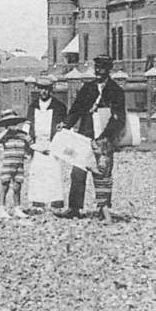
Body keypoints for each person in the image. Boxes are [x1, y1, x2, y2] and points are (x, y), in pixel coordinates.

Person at [56, 55, 125, 224]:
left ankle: (103, 209)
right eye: (97, 68)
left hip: (104, 138)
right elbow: (76, 110)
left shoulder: (116, 91)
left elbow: (119, 118)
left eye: (102, 68)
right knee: (78, 171)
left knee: (103, 174)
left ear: (108, 70)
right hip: (85, 135)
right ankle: (74, 208)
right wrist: (65, 124)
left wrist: (106, 136)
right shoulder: (87, 88)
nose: (99, 72)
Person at [25, 76, 67, 214]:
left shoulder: (59, 106)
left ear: (51, 90)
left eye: (46, 89)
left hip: (52, 144)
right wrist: (28, 140)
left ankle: (56, 202)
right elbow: (28, 123)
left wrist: (58, 141)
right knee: (37, 172)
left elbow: (64, 127)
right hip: (37, 144)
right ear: (37, 89)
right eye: (41, 88)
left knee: (53, 172)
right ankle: (38, 202)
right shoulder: (33, 106)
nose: (43, 92)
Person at [0, 108, 33, 219]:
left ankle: (17, 208)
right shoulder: (4, 135)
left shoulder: (23, 134)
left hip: (19, 164)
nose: (12, 125)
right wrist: (7, 131)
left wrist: (40, 150)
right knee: (4, 186)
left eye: (14, 123)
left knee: (17, 187)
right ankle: (1, 208)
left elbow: (31, 144)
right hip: (7, 165)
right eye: (9, 123)